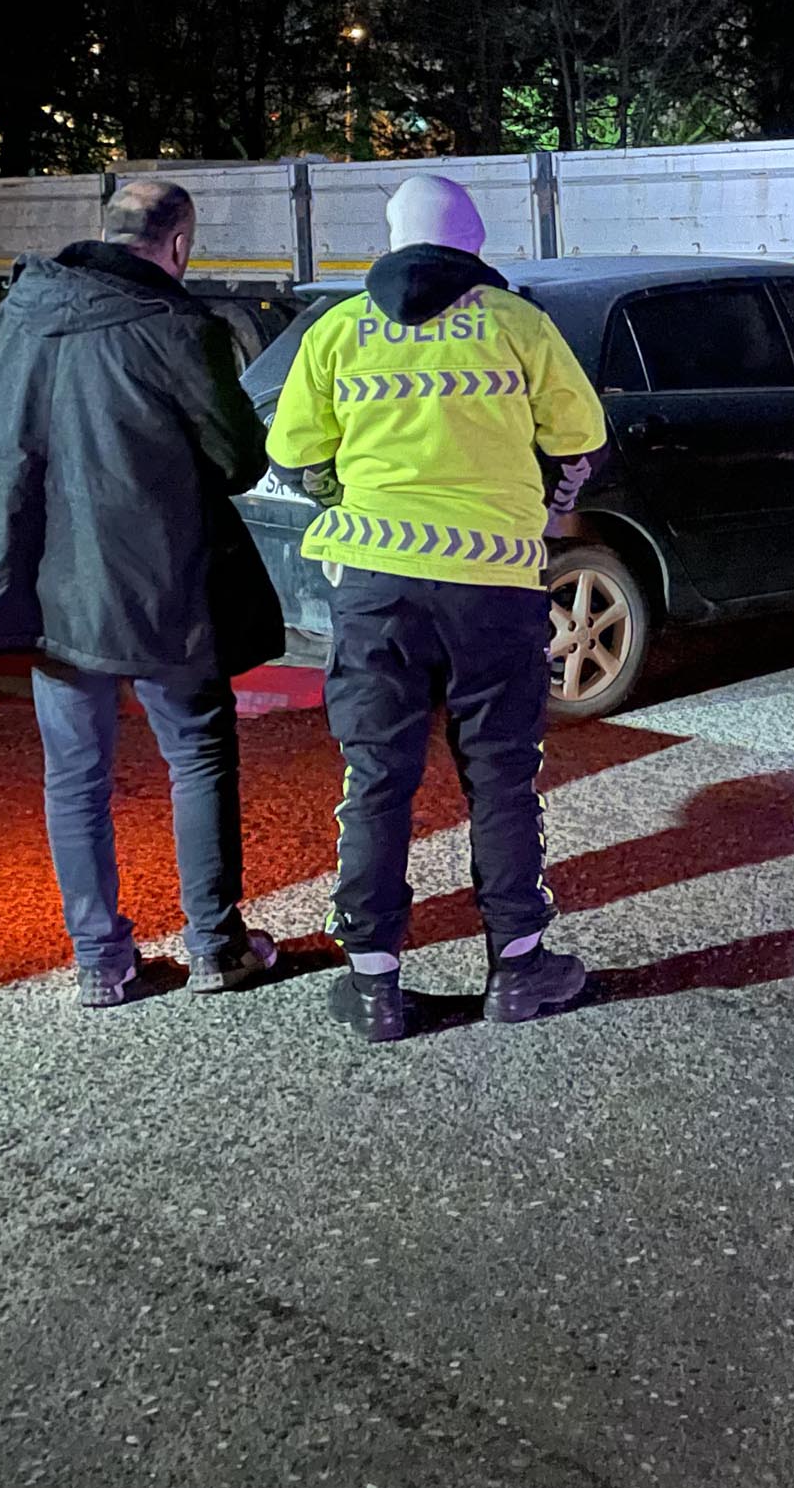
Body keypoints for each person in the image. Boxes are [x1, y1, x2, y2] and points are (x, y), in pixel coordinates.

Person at [264, 173, 608, 1042]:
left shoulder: (339, 329)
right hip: (493, 584)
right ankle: (521, 968)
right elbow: (581, 441)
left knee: (377, 774)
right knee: (501, 771)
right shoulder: (519, 326)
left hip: (377, 586)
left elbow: (296, 449)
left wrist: (347, 486)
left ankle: (376, 983)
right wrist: (538, 502)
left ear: (390, 239)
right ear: (474, 244)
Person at [0, 178, 285, 1007]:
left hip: (47, 592)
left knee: (76, 776)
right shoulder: (180, 329)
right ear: (178, 245)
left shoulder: (20, 315)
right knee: (197, 757)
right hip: (161, 589)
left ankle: (100, 961)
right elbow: (240, 462)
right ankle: (216, 947)